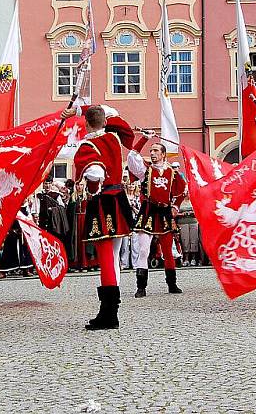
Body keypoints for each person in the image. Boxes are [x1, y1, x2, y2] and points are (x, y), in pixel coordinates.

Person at [68, 104, 137, 330]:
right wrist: (81, 109)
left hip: (103, 201)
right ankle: (111, 310)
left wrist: (92, 185)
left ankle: (108, 314)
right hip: (119, 198)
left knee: (106, 258)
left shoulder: (88, 145)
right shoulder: (113, 138)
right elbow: (114, 115)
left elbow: (96, 173)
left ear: (86, 124)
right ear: (104, 121)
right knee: (114, 256)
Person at [127, 137, 187, 298]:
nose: (152, 153)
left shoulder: (172, 173)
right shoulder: (145, 170)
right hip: (148, 211)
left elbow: (183, 190)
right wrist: (144, 139)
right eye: (151, 150)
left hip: (165, 212)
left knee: (168, 250)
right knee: (144, 250)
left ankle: (172, 284)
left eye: (156, 151)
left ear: (163, 154)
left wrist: (176, 206)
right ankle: (141, 287)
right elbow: (132, 157)